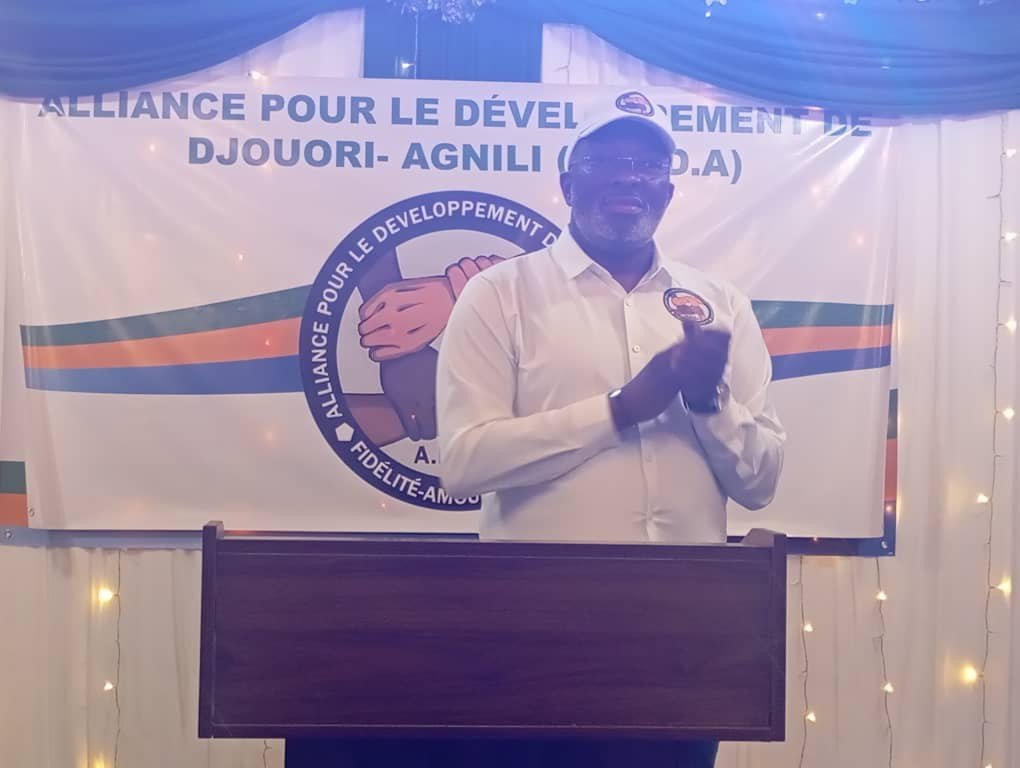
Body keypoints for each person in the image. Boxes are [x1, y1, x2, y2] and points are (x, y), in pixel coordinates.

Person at [433, 91, 787, 767]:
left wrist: (708, 403)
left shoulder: (720, 305)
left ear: (668, 192)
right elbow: (465, 462)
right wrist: (621, 408)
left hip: (686, 639)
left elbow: (761, 482)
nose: (630, 177)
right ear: (568, 183)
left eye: (649, 166)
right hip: (537, 630)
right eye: (607, 162)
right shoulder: (501, 294)